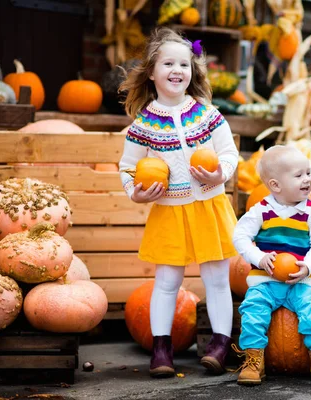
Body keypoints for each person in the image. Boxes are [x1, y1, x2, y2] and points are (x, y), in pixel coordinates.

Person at [118, 27, 239, 378]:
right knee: (167, 281)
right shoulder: (144, 125)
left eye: (184, 64)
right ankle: (161, 348)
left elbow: (229, 154)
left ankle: (220, 343)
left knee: (216, 279)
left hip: (208, 207)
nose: (177, 70)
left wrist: (220, 176)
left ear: (193, 72)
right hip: (169, 211)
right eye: (168, 63)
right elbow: (127, 167)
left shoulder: (207, 114)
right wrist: (135, 191)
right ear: (152, 72)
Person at [232, 146, 311, 387]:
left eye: (309, 173)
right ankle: (253, 360)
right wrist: (258, 257)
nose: (307, 180)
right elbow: (239, 236)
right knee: (253, 313)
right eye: (299, 175)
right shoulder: (261, 211)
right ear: (276, 185)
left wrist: (308, 266)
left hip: (301, 280)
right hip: (266, 281)